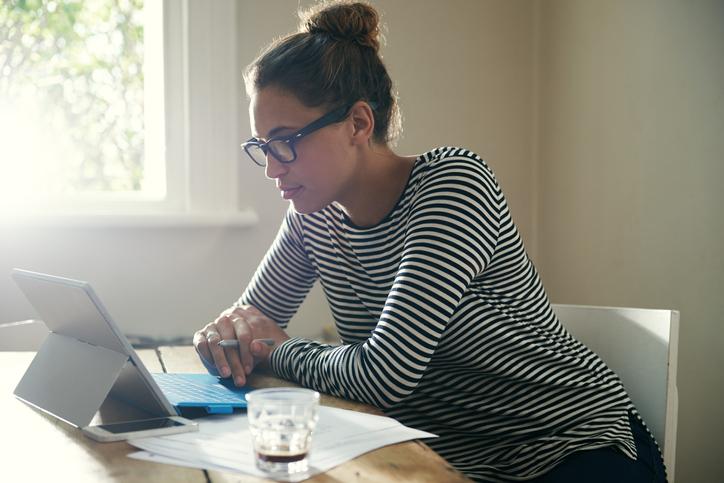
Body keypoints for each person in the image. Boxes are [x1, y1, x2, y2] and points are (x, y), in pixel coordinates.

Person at [193, 2, 667, 481]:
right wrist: (218, 339)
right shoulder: (311, 217)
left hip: (564, 444)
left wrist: (276, 350)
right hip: (449, 459)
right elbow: (247, 329)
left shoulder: (453, 184)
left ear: (358, 123)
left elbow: (384, 375)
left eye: (285, 140)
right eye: (262, 147)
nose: (273, 167)